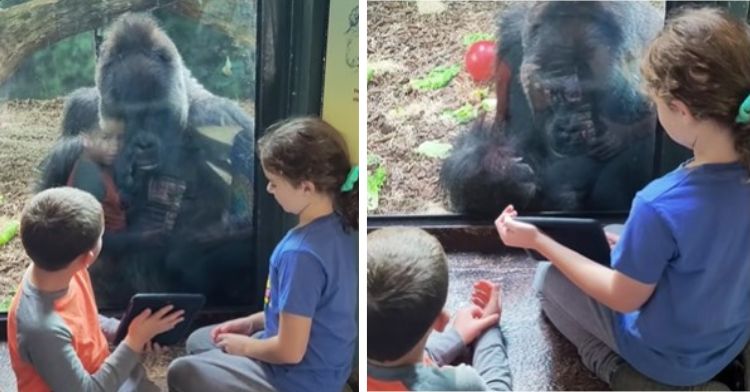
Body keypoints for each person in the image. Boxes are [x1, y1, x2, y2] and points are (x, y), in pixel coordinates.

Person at [496, 7, 750, 388]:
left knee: (547, 281)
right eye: (554, 85)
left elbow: (623, 298)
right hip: (727, 336)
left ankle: (626, 375)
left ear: (678, 109)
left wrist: (539, 242)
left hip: (664, 353)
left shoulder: (657, 203)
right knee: (618, 230)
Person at [167, 117, 358, 392]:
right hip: (325, 365)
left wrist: (245, 346)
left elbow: (290, 352)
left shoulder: (301, 255)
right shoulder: (340, 224)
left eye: (274, 183)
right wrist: (251, 322)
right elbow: (302, 310)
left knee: (182, 371)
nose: (269, 189)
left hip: (297, 379)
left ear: (306, 187)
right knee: (201, 340)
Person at [6, 187, 184, 392]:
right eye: (102, 235)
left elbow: (81, 320)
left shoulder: (60, 268)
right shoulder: (41, 329)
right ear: (88, 256)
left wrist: (122, 329)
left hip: (99, 372)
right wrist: (133, 342)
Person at [367, 227, 512, 391]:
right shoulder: (458, 385)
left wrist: (456, 336)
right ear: (442, 321)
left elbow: (403, 362)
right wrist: (489, 327)